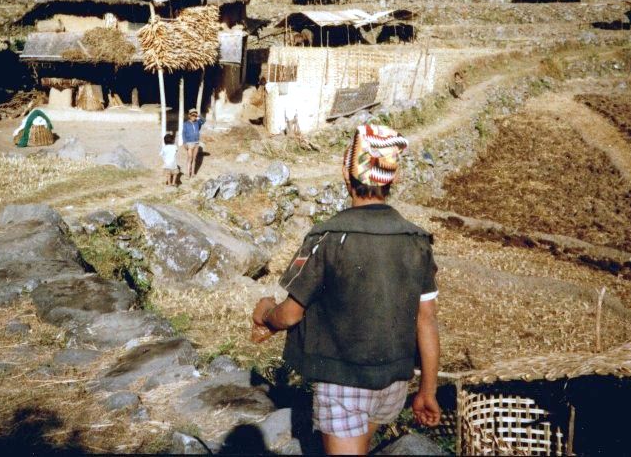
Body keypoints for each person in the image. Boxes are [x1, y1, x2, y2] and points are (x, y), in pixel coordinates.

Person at [251, 124, 441, 455]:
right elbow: (426, 320)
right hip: (395, 384)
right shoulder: (416, 241)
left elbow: (291, 314)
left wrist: (266, 314)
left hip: (345, 384)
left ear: (344, 171)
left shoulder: (327, 237)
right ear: (392, 178)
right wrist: (428, 390)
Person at [181, 109, 204, 177]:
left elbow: (204, 120)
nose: (194, 117)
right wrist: (184, 142)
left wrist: (198, 115)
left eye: (195, 115)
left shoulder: (197, 122)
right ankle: (188, 173)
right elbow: (183, 133)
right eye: (192, 115)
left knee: (194, 158)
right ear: (189, 115)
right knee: (189, 157)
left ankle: (193, 172)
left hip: (196, 142)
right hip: (189, 142)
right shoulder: (186, 124)